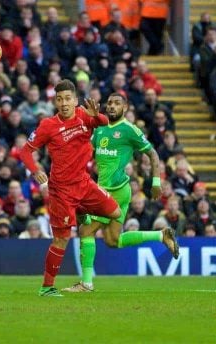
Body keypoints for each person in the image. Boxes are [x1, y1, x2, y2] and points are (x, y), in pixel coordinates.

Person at [63, 93, 179, 293]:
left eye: (117, 103)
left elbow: (152, 153)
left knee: (86, 231)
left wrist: (156, 181)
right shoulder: (99, 129)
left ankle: (87, 284)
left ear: (124, 107)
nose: (112, 106)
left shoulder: (130, 130)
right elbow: (83, 148)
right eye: (109, 103)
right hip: (111, 191)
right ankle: (161, 236)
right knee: (113, 241)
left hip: (113, 192)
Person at [19, 80, 121, 297]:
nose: (64, 103)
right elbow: (25, 152)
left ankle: (81, 213)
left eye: (68, 98)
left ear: (75, 100)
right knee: (62, 239)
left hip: (84, 184)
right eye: (59, 99)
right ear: (55, 102)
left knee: (115, 212)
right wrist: (35, 169)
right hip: (62, 191)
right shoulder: (48, 125)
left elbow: (103, 122)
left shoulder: (84, 115)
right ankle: (46, 287)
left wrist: (96, 116)